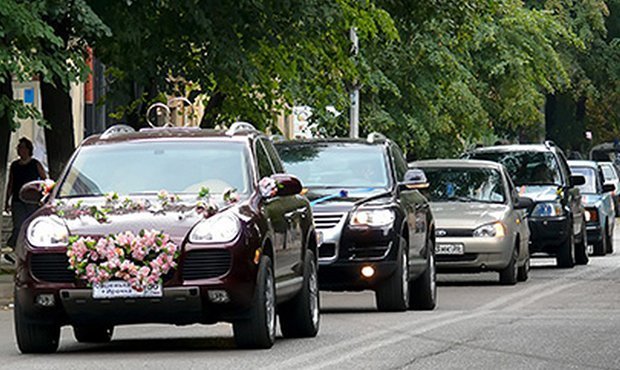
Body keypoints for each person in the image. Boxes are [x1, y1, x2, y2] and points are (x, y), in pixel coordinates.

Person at [4, 138, 47, 261]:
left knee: (30, 225)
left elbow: (44, 180)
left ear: (28, 150)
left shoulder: (35, 164)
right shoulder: (15, 165)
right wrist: (7, 200)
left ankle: (27, 251)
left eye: (22, 147)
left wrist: (42, 196)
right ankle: (13, 248)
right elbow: (11, 183)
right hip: (18, 200)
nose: (20, 150)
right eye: (18, 147)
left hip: (32, 201)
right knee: (18, 225)